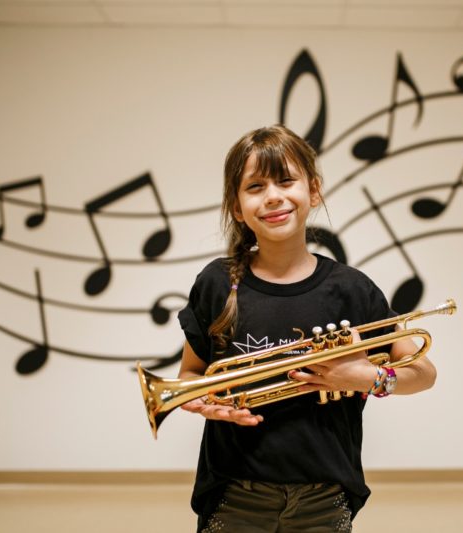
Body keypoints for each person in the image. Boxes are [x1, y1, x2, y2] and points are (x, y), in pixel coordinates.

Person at [177, 124, 437, 532]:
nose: (274, 196)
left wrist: (368, 377)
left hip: (326, 496)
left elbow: (424, 373)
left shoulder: (353, 289)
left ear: (313, 191)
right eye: (256, 186)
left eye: (286, 180)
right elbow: (190, 375)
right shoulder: (216, 282)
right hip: (233, 493)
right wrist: (202, 401)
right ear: (236, 205)